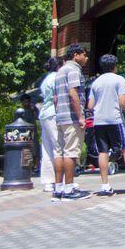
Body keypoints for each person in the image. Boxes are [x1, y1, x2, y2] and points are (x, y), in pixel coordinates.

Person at [87, 53, 125, 196]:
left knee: (103, 151)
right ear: (115, 66)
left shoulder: (96, 82)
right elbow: (122, 102)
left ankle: (105, 186)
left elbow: (90, 105)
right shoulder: (119, 79)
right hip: (114, 119)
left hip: (99, 120)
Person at [52, 44, 90, 201]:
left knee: (59, 153)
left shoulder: (60, 71)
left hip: (60, 117)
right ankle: (69, 189)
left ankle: (58, 188)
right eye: (84, 55)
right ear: (76, 55)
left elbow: (55, 98)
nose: (86, 58)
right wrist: (80, 116)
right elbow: (73, 92)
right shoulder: (74, 69)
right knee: (71, 153)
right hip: (72, 118)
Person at [37, 57, 61, 193]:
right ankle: (60, 180)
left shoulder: (46, 79)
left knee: (46, 147)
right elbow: (57, 98)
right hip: (53, 113)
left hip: (44, 114)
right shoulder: (57, 78)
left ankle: (47, 182)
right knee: (58, 146)